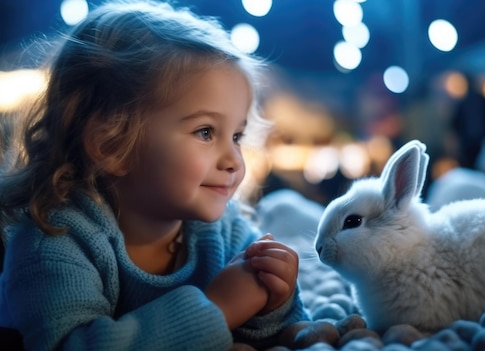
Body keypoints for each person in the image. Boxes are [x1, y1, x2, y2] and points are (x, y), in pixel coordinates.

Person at [0, 1, 309, 350]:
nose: (234, 160)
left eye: (236, 136)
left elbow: (275, 331)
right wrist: (217, 309)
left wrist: (275, 300)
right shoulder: (53, 242)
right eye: (206, 132)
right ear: (111, 145)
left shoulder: (224, 230)